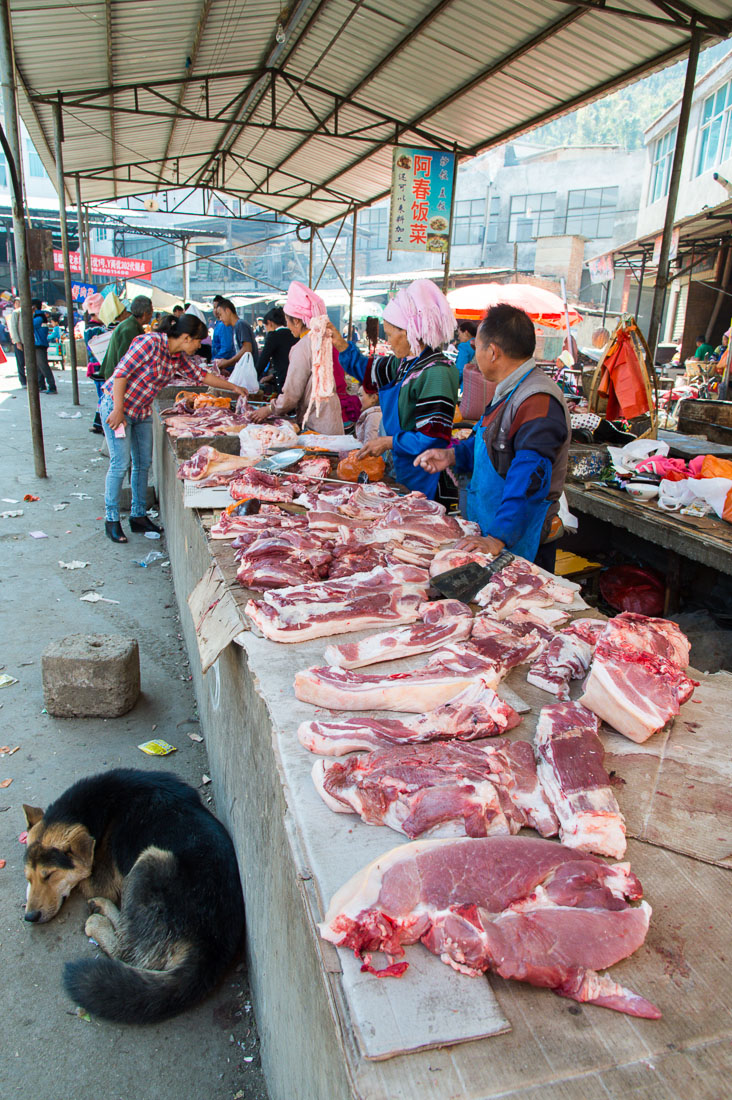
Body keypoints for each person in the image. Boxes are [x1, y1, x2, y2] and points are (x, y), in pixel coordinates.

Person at [415, 304, 570, 567]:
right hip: (493, 534)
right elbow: (490, 443)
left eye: (477, 349)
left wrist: (499, 538)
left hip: (519, 543)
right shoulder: (510, 390)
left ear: (493, 352)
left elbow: (530, 476)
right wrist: (452, 455)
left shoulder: (537, 400)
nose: (474, 357)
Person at [100, 312, 247, 544]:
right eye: (198, 341)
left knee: (142, 464)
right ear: (186, 338)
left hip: (142, 411)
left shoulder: (177, 357)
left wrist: (233, 387)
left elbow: (202, 376)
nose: (199, 347)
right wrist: (118, 409)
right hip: (117, 407)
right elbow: (121, 374)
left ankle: (138, 515)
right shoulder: (149, 343)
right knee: (120, 464)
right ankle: (111, 519)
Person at [330, 279, 459, 502]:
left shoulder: (437, 372)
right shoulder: (403, 363)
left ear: (409, 333)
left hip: (424, 473)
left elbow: (432, 438)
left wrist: (388, 442)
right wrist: (340, 343)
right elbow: (366, 368)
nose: (388, 342)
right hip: (400, 468)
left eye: (390, 335)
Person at [250, 282, 344, 434]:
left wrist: (269, 409)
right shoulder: (323, 339)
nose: (287, 325)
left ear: (297, 321)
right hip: (330, 416)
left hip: (317, 421)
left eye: (287, 321)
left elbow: (291, 395)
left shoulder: (304, 345)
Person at [101, 295, 154, 381]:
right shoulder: (130, 329)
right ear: (144, 314)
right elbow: (125, 362)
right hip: (116, 378)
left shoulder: (131, 325)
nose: (151, 316)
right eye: (151, 312)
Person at [256, 306, 298, 390]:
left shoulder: (274, 336)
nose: (266, 330)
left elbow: (263, 360)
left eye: (265, 327)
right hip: (297, 379)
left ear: (270, 323)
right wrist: (272, 376)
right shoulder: (294, 334)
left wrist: (252, 377)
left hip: (284, 382)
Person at [213, 298, 259, 374]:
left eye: (220, 315)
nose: (220, 319)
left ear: (227, 311)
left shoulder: (240, 324)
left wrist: (227, 362)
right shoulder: (235, 327)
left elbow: (247, 349)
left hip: (249, 373)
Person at [83, 293, 108, 434]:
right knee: (103, 397)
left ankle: (98, 423)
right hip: (99, 367)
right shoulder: (94, 329)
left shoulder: (93, 327)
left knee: (102, 396)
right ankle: (102, 424)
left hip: (97, 367)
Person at [32, 299, 57, 393]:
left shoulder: (39, 318)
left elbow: (29, 325)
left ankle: (52, 386)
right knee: (38, 366)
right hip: (38, 343)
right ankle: (41, 385)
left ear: (33, 307)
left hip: (40, 344)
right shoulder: (39, 316)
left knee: (43, 365)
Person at [211, 295, 235, 362]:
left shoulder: (224, 324)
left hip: (225, 364)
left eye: (217, 308)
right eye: (214, 308)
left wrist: (216, 361)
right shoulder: (218, 324)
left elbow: (226, 348)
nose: (215, 311)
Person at [7, 297, 25, 386]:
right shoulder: (15, 313)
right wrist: (17, 341)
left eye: (19, 302)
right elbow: (13, 328)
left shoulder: (25, 311)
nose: (17, 305)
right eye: (16, 303)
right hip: (19, 341)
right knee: (21, 362)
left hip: (27, 341)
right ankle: (23, 381)